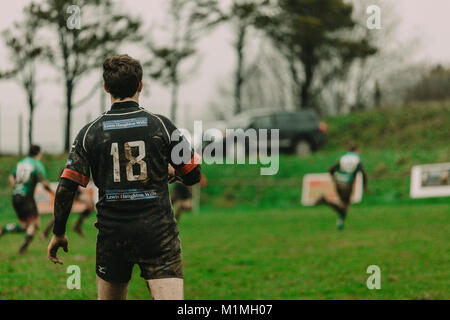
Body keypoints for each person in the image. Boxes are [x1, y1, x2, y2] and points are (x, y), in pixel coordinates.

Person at [47, 54, 201, 300]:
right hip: (158, 235)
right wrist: (172, 172)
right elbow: (193, 175)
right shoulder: (161, 125)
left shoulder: (90, 132)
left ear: (106, 87)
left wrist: (58, 232)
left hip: (113, 236)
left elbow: (66, 187)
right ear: (140, 85)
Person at [0, 145, 53, 253]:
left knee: (25, 226)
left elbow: (11, 177)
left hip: (16, 196)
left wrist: (14, 187)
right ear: (38, 153)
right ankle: (23, 248)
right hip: (26, 197)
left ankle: (3, 229)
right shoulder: (37, 164)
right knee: (35, 224)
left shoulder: (20, 163)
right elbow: (43, 183)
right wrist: (53, 192)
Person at [316, 142, 369, 230]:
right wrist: (365, 186)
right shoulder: (357, 158)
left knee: (343, 205)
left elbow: (331, 169)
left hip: (338, 182)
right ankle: (325, 201)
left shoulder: (343, 157)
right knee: (344, 206)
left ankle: (340, 223)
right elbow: (363, 173)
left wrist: (334, 179)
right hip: (347, 184)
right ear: (356, 150)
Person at [41, 170, 95, 239]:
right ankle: (45, 232)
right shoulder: (67, 167)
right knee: (60, 214)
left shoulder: (79, 164)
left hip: (77, 192)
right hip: (68, 192)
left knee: (91, 205)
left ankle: (77, 225)